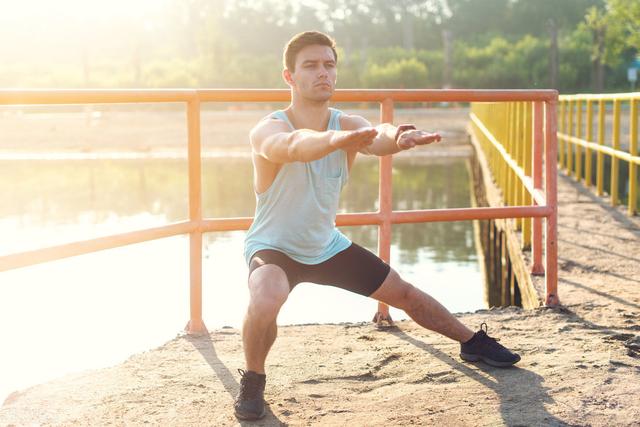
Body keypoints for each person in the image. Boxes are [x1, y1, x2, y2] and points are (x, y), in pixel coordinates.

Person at [235, 31, 520, 421]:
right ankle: (253, 379)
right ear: (289, 76)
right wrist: (340, 139)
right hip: (273, 246)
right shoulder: (269, 127)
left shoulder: (348, 123)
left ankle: (472, 342)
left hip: (326, 246)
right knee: (268, 294)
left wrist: (400, 137)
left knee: (403, 292)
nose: (323, 73)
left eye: (329, 65)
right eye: (311, 66)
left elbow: (378, 135)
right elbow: (292, 146)